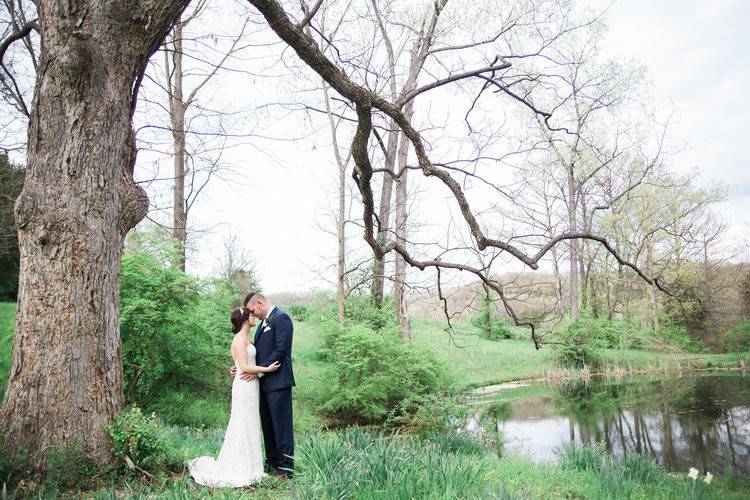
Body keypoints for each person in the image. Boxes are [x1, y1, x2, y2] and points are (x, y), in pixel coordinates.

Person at [188, 308, 280, 488]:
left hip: (252, 385)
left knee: (251, 422)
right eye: (251, 315)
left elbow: (240, 364)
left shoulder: (247, 338)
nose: (254, 317)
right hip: (244, 386)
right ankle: (241, 467)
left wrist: (240, 368)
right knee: (242, 421)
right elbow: (244, 367)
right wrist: (266, 369)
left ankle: (253, 466)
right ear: (246, 319)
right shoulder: (239, 339)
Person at [235, 292, 296, 478]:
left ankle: (285, 468)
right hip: (261, 384)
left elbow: (281, 350)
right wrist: (240, 367)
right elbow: (258, 353)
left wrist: (257, 371)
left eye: (252, 310)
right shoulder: (262, 324)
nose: (252, 314)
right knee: (268, 425)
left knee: (281, 426)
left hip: (278, 383)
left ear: (259, 303)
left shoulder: (282, 318)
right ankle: (272, 462)